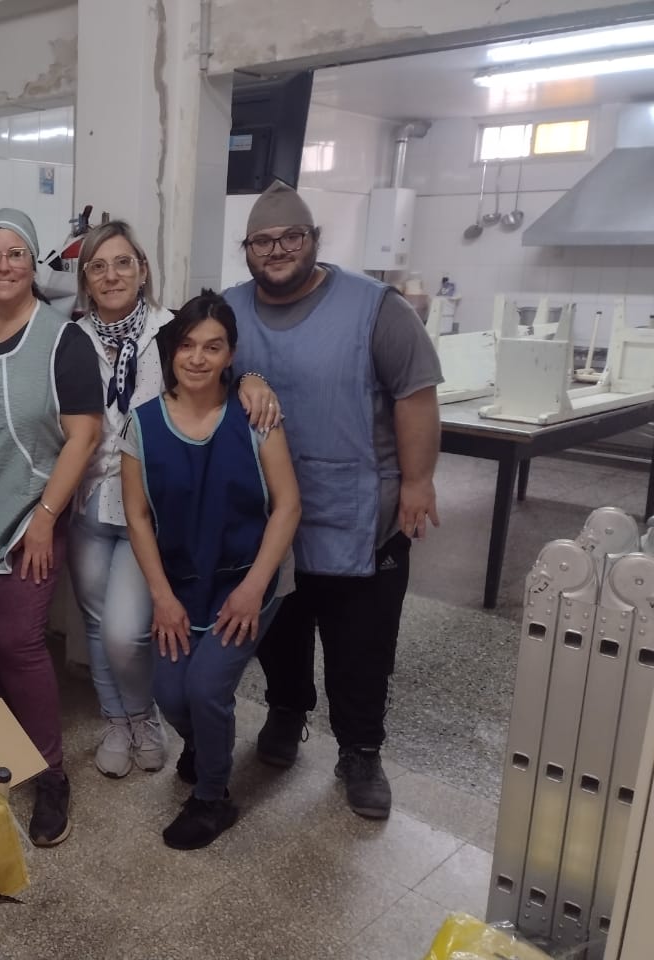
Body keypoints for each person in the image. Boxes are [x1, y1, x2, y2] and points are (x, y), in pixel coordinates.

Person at [222, 181, 442, 820]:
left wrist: (418, 481)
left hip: (359, 514)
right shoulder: (228, 311)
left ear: (314, 239)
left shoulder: (376, 309)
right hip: (269, 518)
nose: (278, 250)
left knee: (361, 646)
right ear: (247, 250)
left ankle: (361, 751)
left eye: (291, 237)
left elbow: (415, 394)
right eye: (263, 241)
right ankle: (286, 712)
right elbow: (198, 375)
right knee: (280, 632)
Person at [68, 220, 282, 780]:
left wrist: (252, 378)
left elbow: (214, 364)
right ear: (85, 279)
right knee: (97, 623)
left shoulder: (171, 328)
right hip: (90, 498)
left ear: (142, 269)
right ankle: (117, 721)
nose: (111, 275)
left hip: (152, 511)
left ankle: (147, 718)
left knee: (126, 630)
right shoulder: (72, 337)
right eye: (97, 266)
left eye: (123, 262)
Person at [0, 208, 103, 847]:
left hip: (27, 516)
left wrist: (45, 519)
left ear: (34, 264)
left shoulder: (64, 340)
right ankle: (8, 752)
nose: (3, 266)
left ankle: (51, 775)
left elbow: (83, 436)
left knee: (17, 642)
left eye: (16, 254)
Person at [120, 290, 300, 849]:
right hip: (181, 582)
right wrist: (162, 597)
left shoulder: (256, 417)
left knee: (205, 688)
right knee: (170, 693)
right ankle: (203, 744)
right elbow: (137, 515)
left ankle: (213, 797)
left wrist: (252, 589)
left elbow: (288, 506)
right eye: (188, 346)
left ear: (230, 355)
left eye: (213, 347)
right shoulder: (142, 425)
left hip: (250, 579)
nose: (198, 358)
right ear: (171, 351)